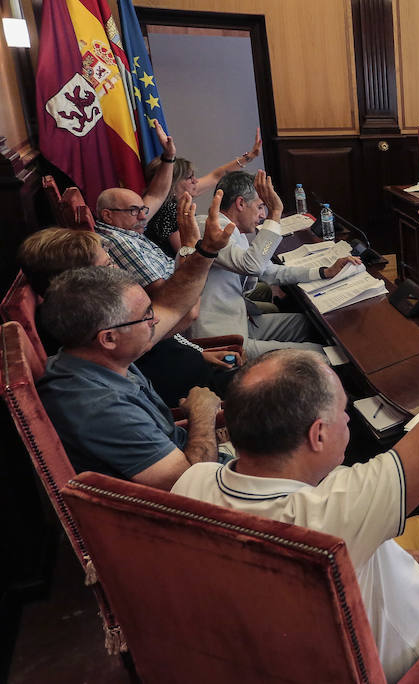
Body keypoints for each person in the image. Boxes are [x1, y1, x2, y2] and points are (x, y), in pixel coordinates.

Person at [173, 181, 419, 682]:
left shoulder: (192, 484)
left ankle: (411, 575)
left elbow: (201, 461)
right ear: (316, 436)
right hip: (408, 650)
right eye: (341, 412)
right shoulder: (341, 508)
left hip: (295, 630)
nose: (350, 417)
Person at [35, 196, 236, 489]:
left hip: (203, 455)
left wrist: (204, 251)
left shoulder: (106, 354)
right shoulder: (100, 406)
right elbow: (194, 489)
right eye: (146, 317)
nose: (156, 322)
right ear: (108, 338)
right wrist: (204, 416)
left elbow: (171, 307)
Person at [17, 224, 238, 406]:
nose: (119, 270)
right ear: (82, 283)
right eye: (108, 264)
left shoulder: (80, 313)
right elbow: (179, 311)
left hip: (204, 379)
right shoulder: (91, 323)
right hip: (201, 400)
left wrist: (199, 355)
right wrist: (203, 251)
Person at [189, 171, 357, 359]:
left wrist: (324, 271)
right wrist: (275, 212)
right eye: (260, 207)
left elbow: (268, 270)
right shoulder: (213, 228)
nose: (263, 215)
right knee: (322, 356)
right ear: (241, 203)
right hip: (223, 340)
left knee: (310, 326)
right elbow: (252, 265)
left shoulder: (233, 231)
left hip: (241, 322)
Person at [144, 127, 262, 257]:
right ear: (172, 183)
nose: (195, 181)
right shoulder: (170, 210)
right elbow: (188, 254)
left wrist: (249, 157)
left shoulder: (177, 199)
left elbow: (217, 176)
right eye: (189, 177)